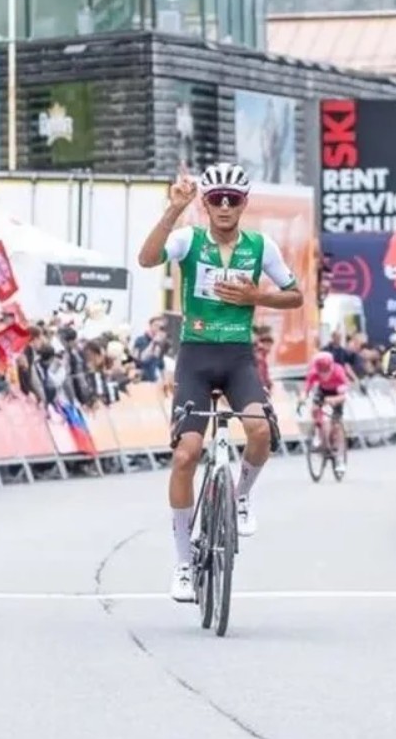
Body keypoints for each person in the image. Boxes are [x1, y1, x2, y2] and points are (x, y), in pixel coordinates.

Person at [137, 162, 303, 603]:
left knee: (261, 430)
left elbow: (296, 295)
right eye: (216, 199)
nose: (225, 206)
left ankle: (241, 496)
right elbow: (147, 259)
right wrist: (174, 209)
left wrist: (258, 296)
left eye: (233, 199)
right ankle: (183, 564)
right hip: (195, 358)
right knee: (186, 455)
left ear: (244, 204)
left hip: (237, 358)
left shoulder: (260, 246)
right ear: (206, 204)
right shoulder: (188, 239)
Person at [304, 351, 348, 467]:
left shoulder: (338, 372)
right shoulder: (314, 372)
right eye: (321, 372)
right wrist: (302, 398)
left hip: (337, 393)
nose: (323, 375)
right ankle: (319, 435)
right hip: (323, 391)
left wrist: (334, 400)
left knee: (336, 423)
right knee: (315, 409)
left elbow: (344, 396)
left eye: (326, 371)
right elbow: (306, 388)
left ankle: (339, 455)